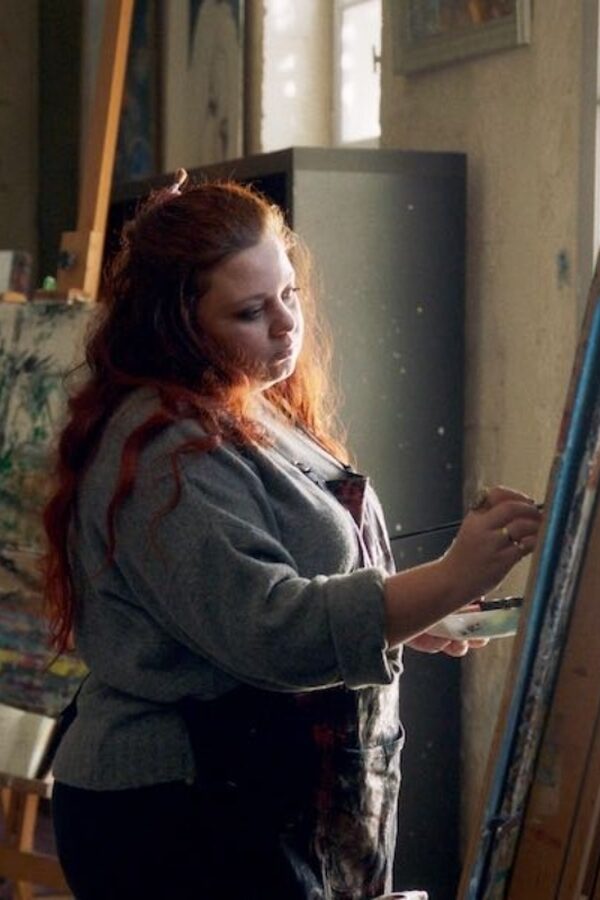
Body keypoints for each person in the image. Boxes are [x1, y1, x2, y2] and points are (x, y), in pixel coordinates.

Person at [43, 171, 542, 900]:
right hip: (179, 814)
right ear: (176, 325)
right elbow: (272, 630)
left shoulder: (250, 401)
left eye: (290, 294)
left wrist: (417, 610)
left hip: (262, 793)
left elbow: (296, 576)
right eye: (250, 311)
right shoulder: (161, 449)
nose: (285, 325)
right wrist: (452, 576)